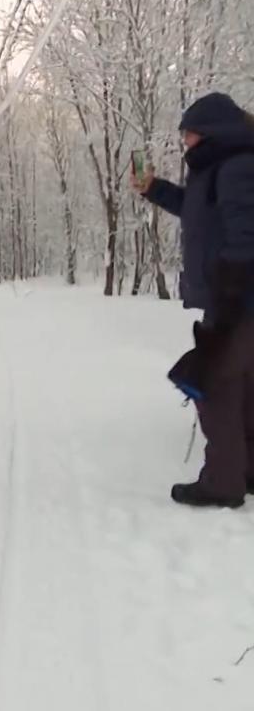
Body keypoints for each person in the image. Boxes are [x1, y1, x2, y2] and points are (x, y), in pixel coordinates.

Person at [134, 92, 254, 509]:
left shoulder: (238, 167)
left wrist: (232, 287)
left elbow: (246, 232)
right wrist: (156, 190)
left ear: (209, 132)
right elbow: (200, 212)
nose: (183, 141)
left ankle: (222, 483)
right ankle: (245, 471)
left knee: (216, 385)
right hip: (236, 297)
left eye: (188, 133)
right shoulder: (222, 167)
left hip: (237, 299)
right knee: (244, 386)